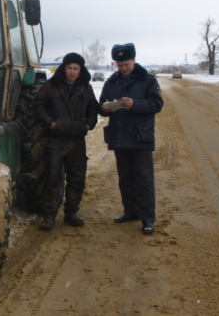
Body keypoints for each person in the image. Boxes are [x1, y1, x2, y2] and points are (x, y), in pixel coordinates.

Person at [98, 43, 163, 234]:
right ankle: (130, 211)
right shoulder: (111, 82)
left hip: (141, 137)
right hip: (119, 137)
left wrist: (135, 104)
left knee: (144, 179)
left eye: (126, 64)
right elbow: (102, 104)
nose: (123, 68)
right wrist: (105, 108)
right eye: (120, 65)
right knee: (125, 178)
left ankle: (148, 219)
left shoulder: (148, 80)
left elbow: (157, 104)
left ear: (134, 60)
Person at [33, 52, 98, 230]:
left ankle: (71, 212)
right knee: (53, 176)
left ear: (80, 70)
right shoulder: (50, 86)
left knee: (77, 178)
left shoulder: (86, 88)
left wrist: (89, 125)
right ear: (64, 68)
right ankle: (49, 215)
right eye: (69, 68)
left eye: (75, 68)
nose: (72, 71)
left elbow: (93, 107)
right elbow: (38, 105)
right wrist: (51, 123)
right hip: (56, 139)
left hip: (77, 140)